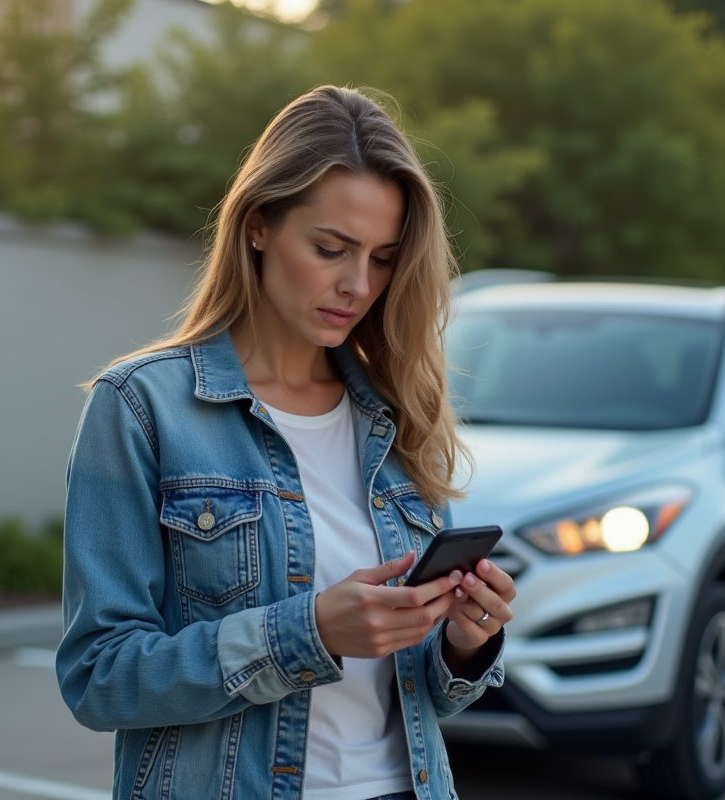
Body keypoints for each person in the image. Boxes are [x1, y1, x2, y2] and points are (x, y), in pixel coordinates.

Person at [56, 85, 517, 800]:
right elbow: (100, 678)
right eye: (330, 248)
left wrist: (464, 642)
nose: (357, 284)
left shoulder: (399, 415)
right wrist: (308, 631)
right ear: (259, 225)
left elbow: (426, 695)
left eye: (384, 257)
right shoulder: (143, 408)